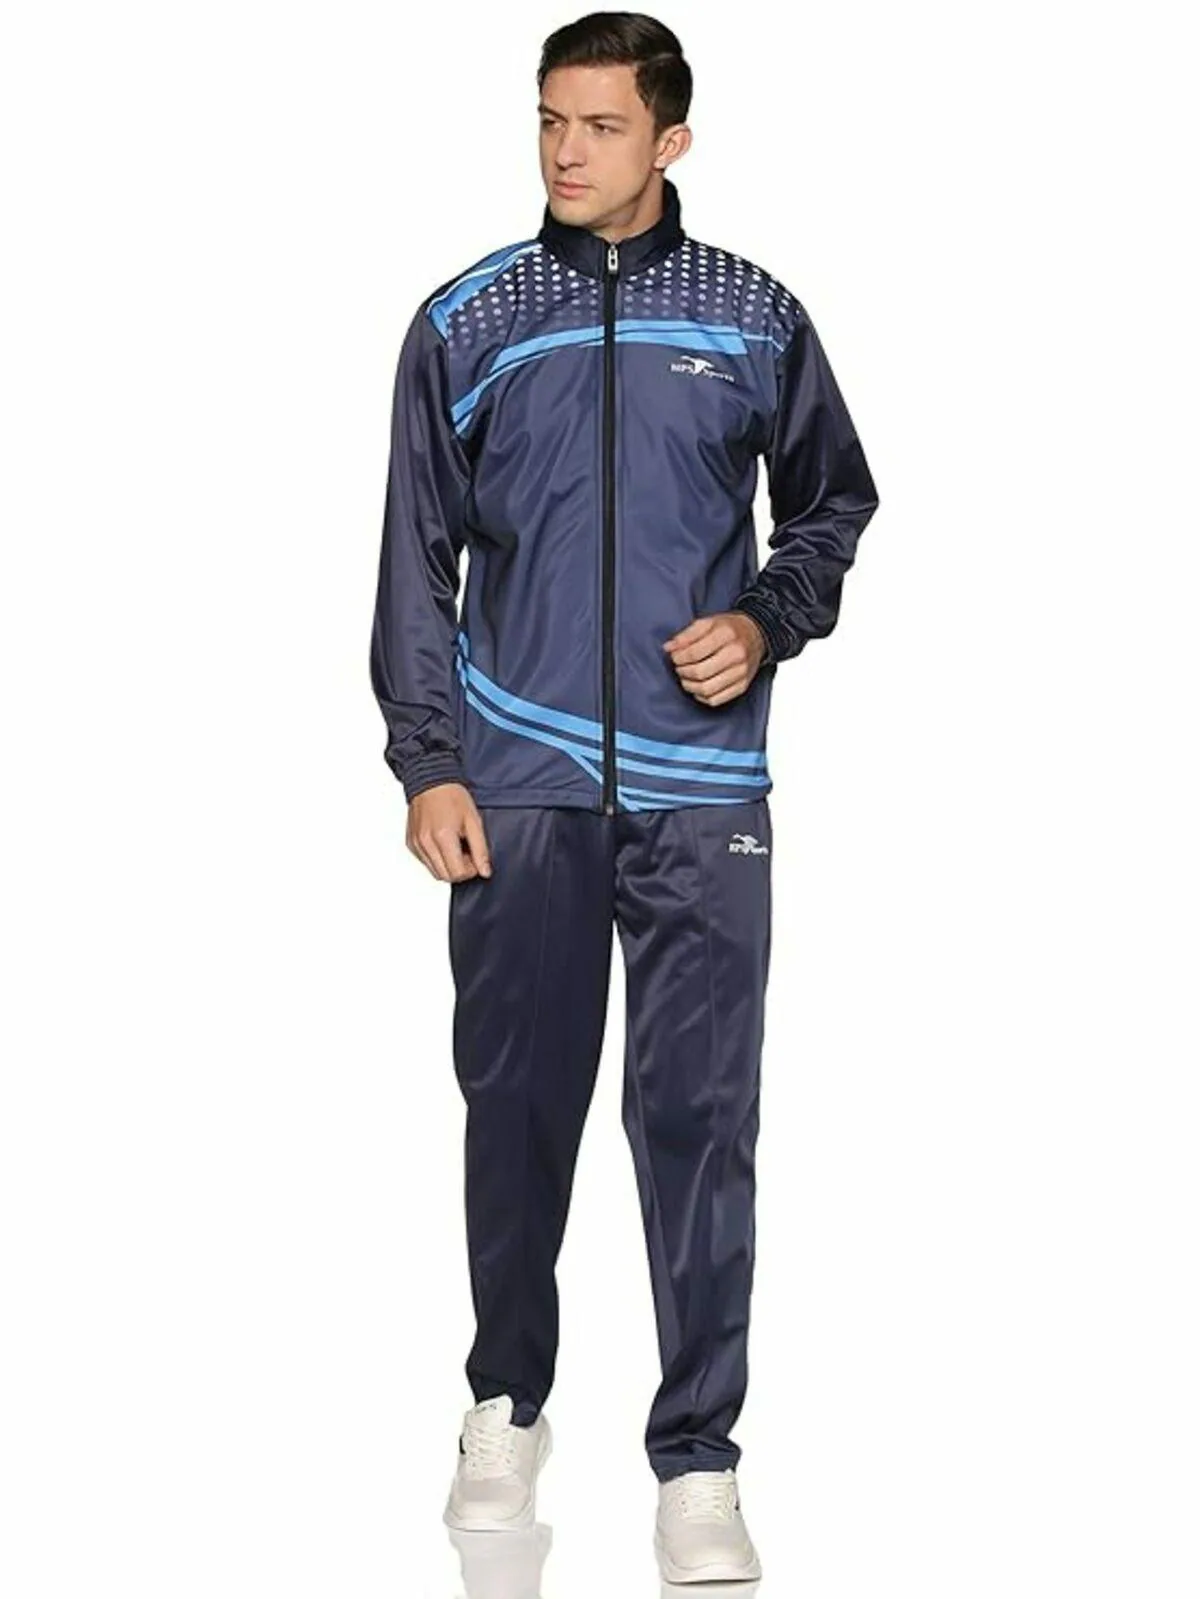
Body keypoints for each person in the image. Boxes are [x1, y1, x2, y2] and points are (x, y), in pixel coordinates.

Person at [370, 10, 879, 1584]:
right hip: (516, 789)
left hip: (701, 789)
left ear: (670, 140)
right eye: (549, 120)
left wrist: (769, 616)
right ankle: (504, 1404)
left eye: (600, 125)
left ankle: (699, 1460)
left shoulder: (752, 313)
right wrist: (429, 760)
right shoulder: (468, 318)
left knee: (701, 1118)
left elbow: (833, 502)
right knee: (516, 1109)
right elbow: (413, 561)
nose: (566, 150)